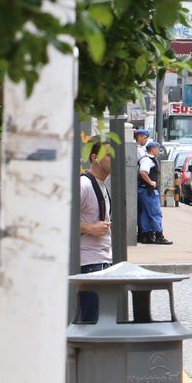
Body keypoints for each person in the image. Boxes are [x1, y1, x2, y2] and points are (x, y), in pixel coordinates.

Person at [78, 139, 114, 324]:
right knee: (90, 323)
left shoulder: (102, 186)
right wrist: (90, 228)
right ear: (95, 158)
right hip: (89, 264)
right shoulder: (84, 185)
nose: (113, 159)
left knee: (99, 322)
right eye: (108, 155)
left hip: (102, 262)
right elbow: (62, 219)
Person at [137, 140, 173, 245]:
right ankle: (159, 235)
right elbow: (143, 172)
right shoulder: (148, 160)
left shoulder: (147, 159)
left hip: (143, 190)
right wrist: (151, 182)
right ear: (152, 149)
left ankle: (146, 235)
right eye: (157, 149)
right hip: (148, 191)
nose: (158, 151)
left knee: (144, 213)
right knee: (156, 213)